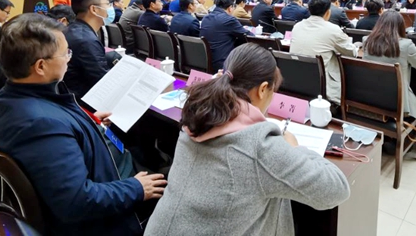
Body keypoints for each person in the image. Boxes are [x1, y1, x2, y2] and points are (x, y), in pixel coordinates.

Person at [144, 43, 349, 236]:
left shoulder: (196, 116)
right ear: (263, 89)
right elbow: (337, 189)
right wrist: (295, 149)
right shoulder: (260, 146)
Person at [0, 13, 166, 236]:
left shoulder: (12, 96)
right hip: (115, 209)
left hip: (108, 169)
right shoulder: (39, 124)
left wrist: (88, 122)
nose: (69, 59)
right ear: (41, 66)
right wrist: (136, 189)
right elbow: (76, 202)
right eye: (66, 53)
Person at [290, 0, 357, 105]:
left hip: (296, 81)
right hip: (321, 86)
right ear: (328, 12)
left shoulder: (297, 26)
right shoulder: (332, 29)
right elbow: (352, 53)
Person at [363, 10, 416, 119]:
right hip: (397, 101)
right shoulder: (406, 45)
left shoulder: (367, 41)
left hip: (369, 96)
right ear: (401, 26)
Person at [63, 0, 112, 97]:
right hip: (82, 100)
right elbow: (103, 82)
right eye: (108, 4)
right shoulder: (86, 41)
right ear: (94, 9)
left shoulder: (74, 29)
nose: (110, 8)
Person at [200, 0, 251, 71]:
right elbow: (248, 36)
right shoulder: (229, 19)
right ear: (230, 8)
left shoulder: (205, 18)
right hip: (223, 63)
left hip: (206, 61)